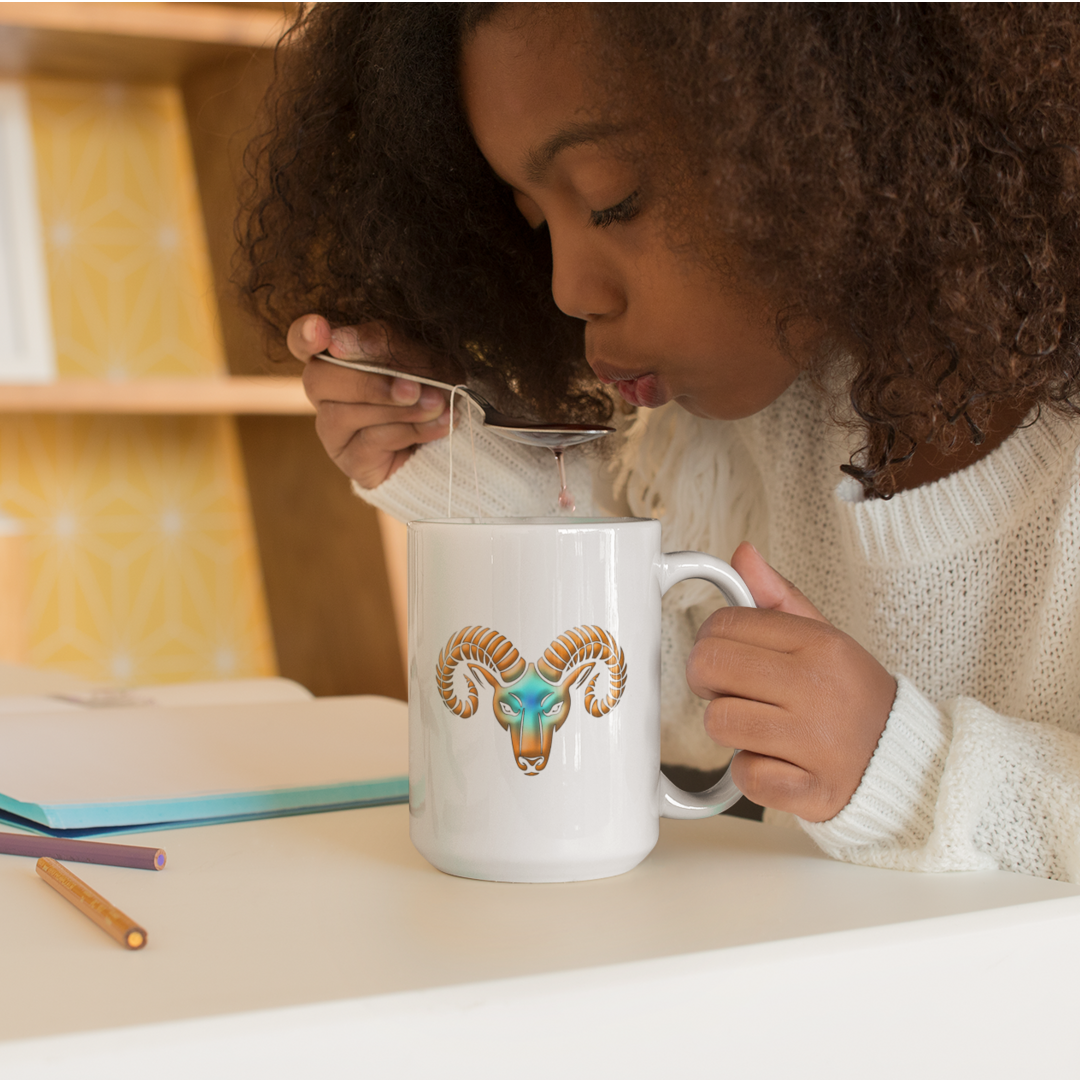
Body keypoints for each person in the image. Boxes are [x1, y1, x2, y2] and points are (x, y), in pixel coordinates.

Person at [241, 3, 1080, 880]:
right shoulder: (762, 412)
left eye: (612, 198)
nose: (566, 289)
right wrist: (451, 460)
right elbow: (668, 698)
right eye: (532, 218)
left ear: (832, 125)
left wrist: (900, 767)